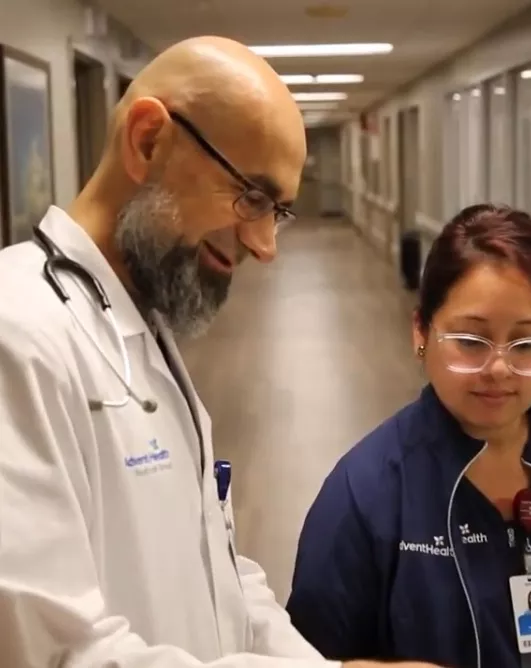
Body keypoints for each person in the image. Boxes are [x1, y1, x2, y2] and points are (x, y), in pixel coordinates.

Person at [0, 36, 445, 668]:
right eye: (251, 198)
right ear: (147, 140)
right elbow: (55, 652)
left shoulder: (143, 327)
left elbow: (219, 572)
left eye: (279, 211)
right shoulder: (17, 333)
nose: (265, 246)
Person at [286, 204, 531, 668]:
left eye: (527, 344)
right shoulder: (364, 493)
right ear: (421, 331)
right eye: (472, 341)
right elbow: (302, 657)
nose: (498, 369)